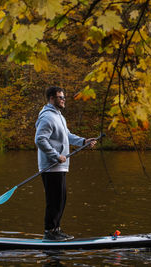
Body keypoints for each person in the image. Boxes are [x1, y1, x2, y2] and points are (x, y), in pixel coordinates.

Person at [35, 86, 97, 241]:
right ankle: (49, 232)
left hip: (60, 166)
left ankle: (56, 230)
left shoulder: (59, 116)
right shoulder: (47, 117)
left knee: (61, 199)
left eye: (64, 97)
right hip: (50, 167)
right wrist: (55, 156)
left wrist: (83, 141)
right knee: (54, 200)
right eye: (60, 97)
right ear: (51, 98)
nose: (63, 100)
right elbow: (40, 139)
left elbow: (67, 135)